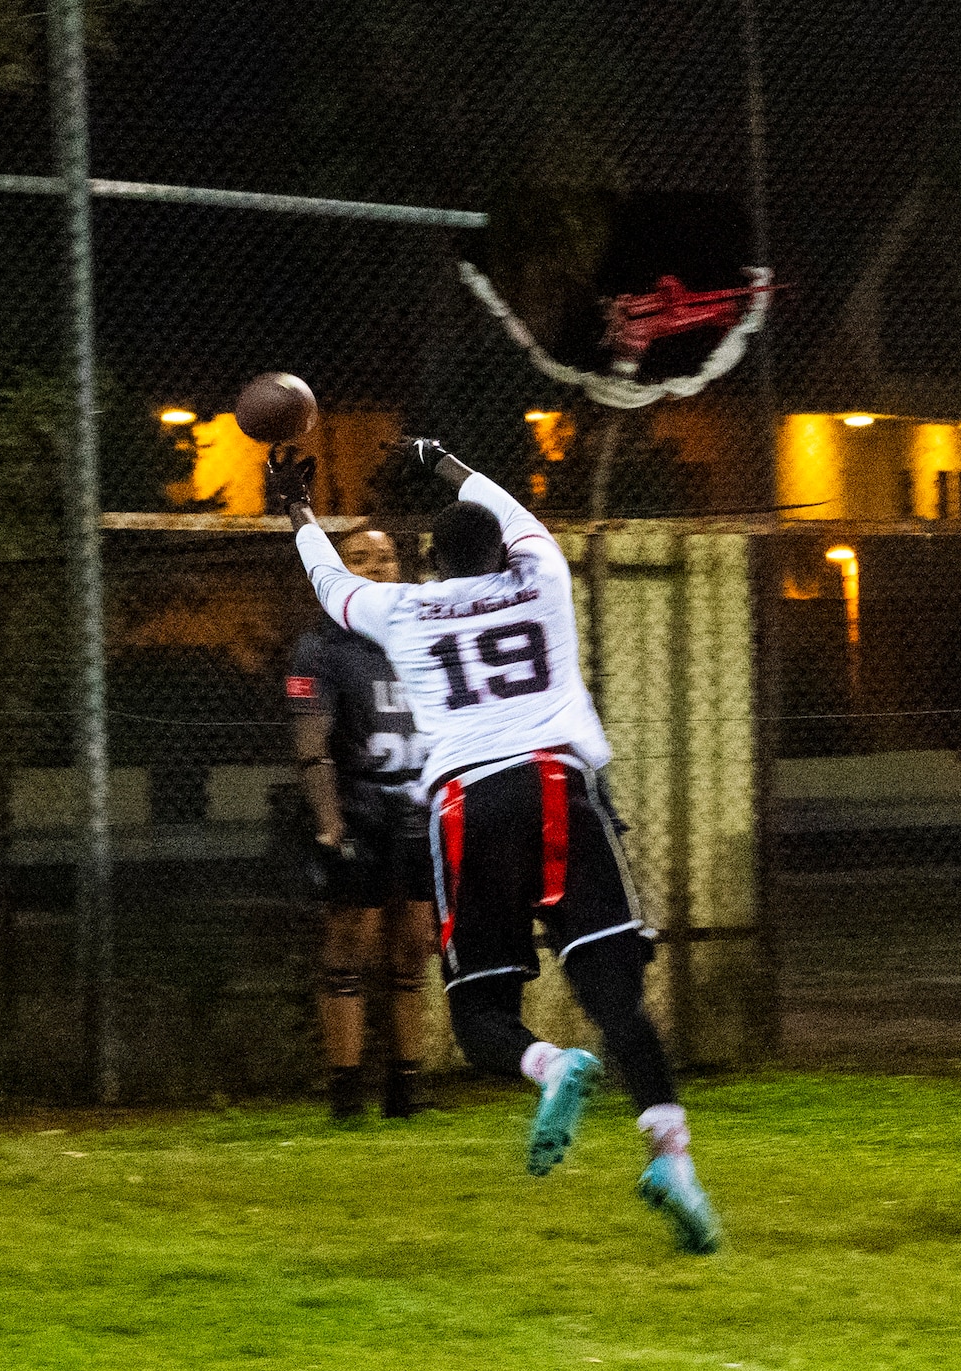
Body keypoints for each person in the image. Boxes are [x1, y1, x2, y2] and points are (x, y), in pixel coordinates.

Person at [272, 436, 721, 1254]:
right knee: (617, 997)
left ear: (433, 564)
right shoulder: (543, 572)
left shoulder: (404, 610)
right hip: (560, 786)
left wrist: (298, 509)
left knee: (480, 1012)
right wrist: (439, 459)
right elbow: (511, 508)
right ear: (502, 546)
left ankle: (547, 1065)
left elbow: (330, 584)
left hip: (466, 803)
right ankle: (674, 1160)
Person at [287, 527, 434, 1121]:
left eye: (386, 557)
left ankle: (406, 1088)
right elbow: (311, 744)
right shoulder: (321, 647)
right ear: (338, 570)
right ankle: (346, 1091)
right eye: (360, 558)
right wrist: (329, 824)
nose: (377, 568)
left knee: (414, 946)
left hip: (421, 807)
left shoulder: (422, 633)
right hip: (360, 809)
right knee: (351, 946)